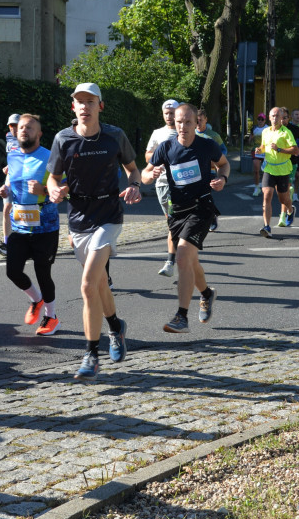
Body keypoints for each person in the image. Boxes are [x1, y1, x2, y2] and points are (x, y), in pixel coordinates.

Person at [46, 83, 141, 381]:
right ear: (72, 107)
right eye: (79, 102)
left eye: (90, 101)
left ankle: (91, 354)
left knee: (88, 284)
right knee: (100, 283)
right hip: (78, 218)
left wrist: (135, 186)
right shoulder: (63, 139)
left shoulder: (115, 135)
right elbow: (53, 178)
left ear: (101, 106)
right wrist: (54, 191)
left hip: (109, 215)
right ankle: (116, 327)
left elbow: (132, 170)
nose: (84, 106)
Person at [142, 103, 228, 333]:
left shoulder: (206, 145)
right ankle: (207, 294)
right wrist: (152, 174)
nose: (183, 126)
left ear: (196, 123)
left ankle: (182, 317)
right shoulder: (166, 148)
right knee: (190, 260)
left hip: (201, 207)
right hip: (177, 210)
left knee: (181, 256)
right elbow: (144, 175)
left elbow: (224, 164)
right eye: (179, 122)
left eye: (188, 122)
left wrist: (222, 179)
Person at [0, 114, 61, 336]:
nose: (24, 130)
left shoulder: (50, 157)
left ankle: (52, 317)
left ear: (39, 133)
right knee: (13, 271)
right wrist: (6, 191)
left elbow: (64, 189)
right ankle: (36, 300)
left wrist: (43, 191)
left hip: (46, 226)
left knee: (43, 272)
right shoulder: (13, 157)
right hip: (20, 226)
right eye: (21, 127)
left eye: (30, 128)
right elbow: (11, 185)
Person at [146, 99, 180, 276]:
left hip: (183, 184)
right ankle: (177, 257)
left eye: (172, 112)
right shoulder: (158, 133)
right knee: (172, 223)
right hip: (163, 184)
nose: (169, 116)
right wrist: (157, 160)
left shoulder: (186, 132)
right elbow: (147, 155)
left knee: (174, 223)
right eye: (166, 113)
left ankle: (171, 261)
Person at [256, 107, 298, 237]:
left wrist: (279, 149)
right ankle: (267, 226)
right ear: (269, 117)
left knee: (282, 198)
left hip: (283, 169)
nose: (274, 118)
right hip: (269, 168)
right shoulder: (265, 131)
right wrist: (259, 150)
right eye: (272, 116)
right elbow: (264, 147)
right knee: (267, 194)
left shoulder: (286, 133)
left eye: (277, 116)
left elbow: (295, 150)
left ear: (281, 118)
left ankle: (290, 210)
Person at [0, 114, 22, 257]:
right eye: (11, 125)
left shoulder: (28, 138)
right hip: (10, 178)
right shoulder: (9, 137)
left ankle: (29, 243)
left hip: (24, 179)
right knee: (6, 210)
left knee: (25, 211)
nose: (14, 128)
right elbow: (13, 157)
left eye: (16, 125)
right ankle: (7, 244)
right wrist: (9, 167)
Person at [196, 108, 227, 232]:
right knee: (198, 196)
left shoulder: (213, 136)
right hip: (195, 171)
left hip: (211, 170)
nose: (198, 123)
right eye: (196, 121)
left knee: (205, 194)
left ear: (206, 120)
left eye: (200, 120)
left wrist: (215, 159)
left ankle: (211, 217)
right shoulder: (191, 134)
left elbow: (224, 150)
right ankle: (210, 215)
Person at [251, 113, 267, 196]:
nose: (260, 121)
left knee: (266, 171)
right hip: (256, 150)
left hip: (266, 151)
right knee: (256, 170)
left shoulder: (268, 128)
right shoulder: (254, 128)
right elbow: (250, 138)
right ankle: (256, 188)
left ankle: (265, 186)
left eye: (262, 119)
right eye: (259, 119)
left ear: (265, 120)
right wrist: (250, 139)